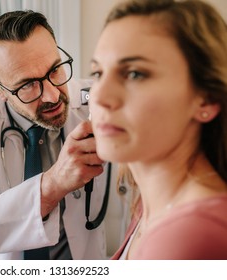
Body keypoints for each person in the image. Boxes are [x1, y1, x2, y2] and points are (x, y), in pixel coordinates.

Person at [0, 10, 130, 260]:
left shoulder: (96, 100)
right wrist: (54, 183)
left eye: (55, 70)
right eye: (28, 85)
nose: (52, 96)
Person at [88, 0, 227, 260]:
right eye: (97, 73)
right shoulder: (148, 206)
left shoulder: (192, 236)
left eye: (134, 74)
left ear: (206, 99)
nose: (100, 96)